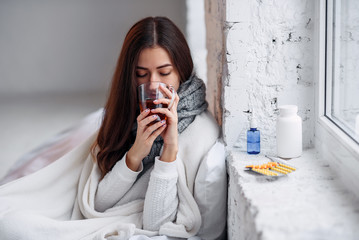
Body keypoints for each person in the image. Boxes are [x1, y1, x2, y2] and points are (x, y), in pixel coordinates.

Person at [0, 16, 225, 240]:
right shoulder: (126, 114)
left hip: (129, 220)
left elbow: (157, 224)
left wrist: (169, 148)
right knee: (9, 221)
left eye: (164, 73)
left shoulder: (199, 132)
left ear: (181, 71)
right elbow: (98, 204)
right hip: (97, 217)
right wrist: (136, 152)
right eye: (141, 74)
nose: (153, 84)